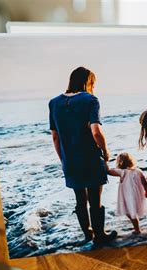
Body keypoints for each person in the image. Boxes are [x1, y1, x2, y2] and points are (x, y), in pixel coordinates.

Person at [49, 66, 117, 246]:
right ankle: (100, 235)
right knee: (95, 200)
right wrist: (105, 151)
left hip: (70, 161)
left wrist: (63, 159)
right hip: (90, 158)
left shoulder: (53, 103)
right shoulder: (90, 100)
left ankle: (88, 235)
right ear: (88, 82)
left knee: (80, 200)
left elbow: (55, 137)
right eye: (92, 83)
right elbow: (96, 131)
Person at [106, 152, 147, 234]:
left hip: (128, 196)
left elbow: (109, 171)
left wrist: (105, 161)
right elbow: (145, 182)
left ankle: (137, 230)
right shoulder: (138, 171)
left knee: (130, 213)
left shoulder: (122, 172)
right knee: (131, 212)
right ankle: (137, 227)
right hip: (136, 196)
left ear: (119, 163)